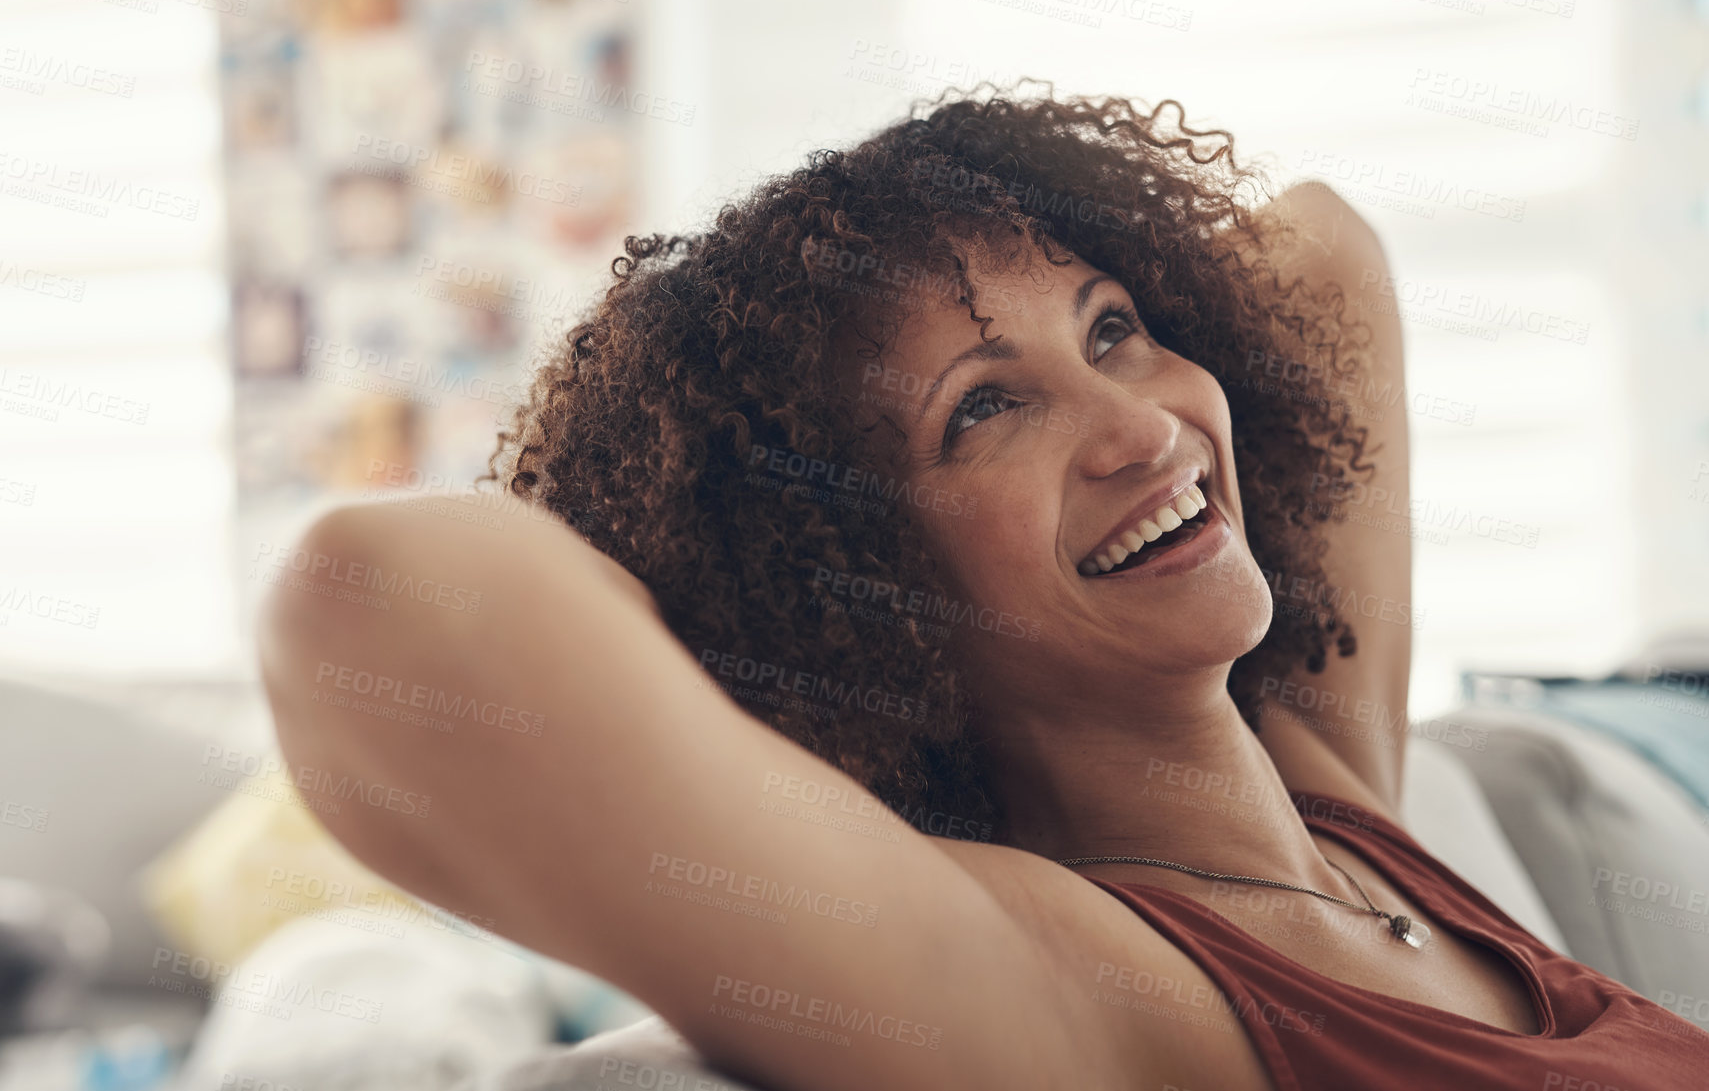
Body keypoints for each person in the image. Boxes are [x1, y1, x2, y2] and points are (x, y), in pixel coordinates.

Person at [259, 89, 1709, 1091]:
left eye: (1118, 329)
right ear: (860, 579)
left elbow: (1312, 247)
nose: (1142, 427)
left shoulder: (1337, 810)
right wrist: (732, 619)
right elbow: (372, 596)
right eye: (984, 410)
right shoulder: (1087, 985)